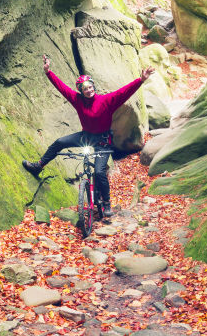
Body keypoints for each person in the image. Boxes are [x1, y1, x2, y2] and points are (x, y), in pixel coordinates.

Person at [23, 54, 154, 218]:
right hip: (86, 137)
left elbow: (123, 92)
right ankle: (38, 166)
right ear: (81, 91)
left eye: (90, 87)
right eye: (85, 89)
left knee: (99, 173)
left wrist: (140, 80)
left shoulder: (107, 100)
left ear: (94, 87)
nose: (89, 90)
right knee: (59, 142)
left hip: (103, 141)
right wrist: (48, 72)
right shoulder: (77, 100)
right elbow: (62, 88)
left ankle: (106, 203)